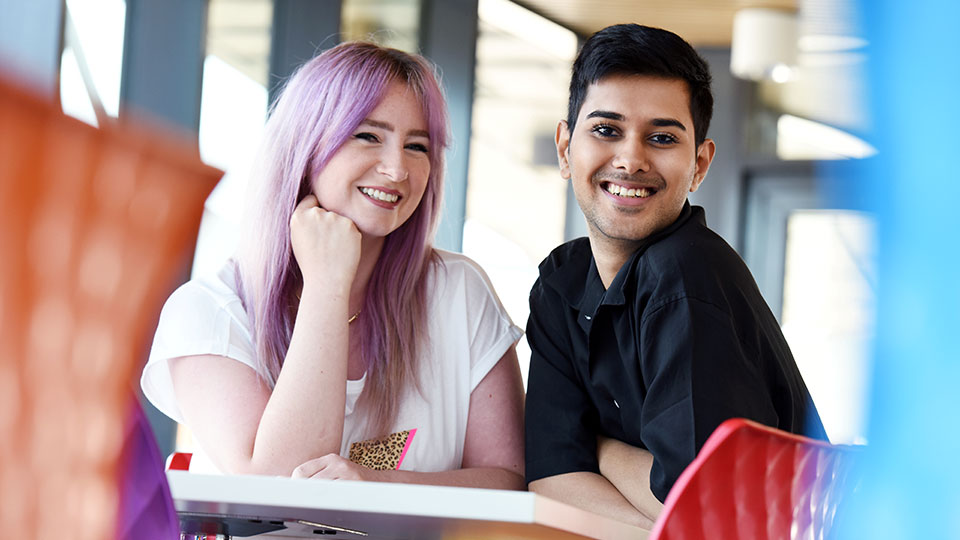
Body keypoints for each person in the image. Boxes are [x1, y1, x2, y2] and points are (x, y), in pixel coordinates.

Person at [141, 42, 525, 489]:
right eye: (368, 136)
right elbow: (278, 485)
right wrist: (326, 284)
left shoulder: (459, 292)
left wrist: (372, 485)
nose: (397, 169)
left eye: (417, 146)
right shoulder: (208, 312)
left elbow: (509, 482)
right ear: (307, 145)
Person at [524, 24, 827, 526]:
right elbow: (551, 482)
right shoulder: (563, 282)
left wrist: (597, 451)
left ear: (699, 164)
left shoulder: (685, 273)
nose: (630, 158)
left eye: (662, 137)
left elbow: (705, 512)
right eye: (606, 130)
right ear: (564, 147)